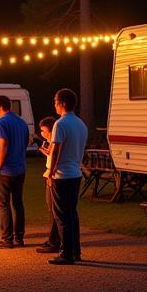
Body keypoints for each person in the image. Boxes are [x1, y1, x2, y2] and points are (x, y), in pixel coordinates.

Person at [46, 88, 89, 265]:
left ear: (62, 103)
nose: (54, 104)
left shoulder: (60, 124)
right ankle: (75, 251)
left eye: (56, 101)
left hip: (62, 175)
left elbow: (55, 150)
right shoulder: (81, 124)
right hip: (75, 174)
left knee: (61, 215)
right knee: (72, 214)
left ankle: (66, 253)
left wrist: (51, 171)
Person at [0, 94, 29, 248]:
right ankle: (19, 237)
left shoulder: (1, 122)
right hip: (19, 169)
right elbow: (25, 144)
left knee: (2, 205)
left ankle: (7, 239)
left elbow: (3, 145)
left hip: (4, 171)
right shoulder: (21, 122)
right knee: (18, 203)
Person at [35, 116, 63, 254]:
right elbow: (52, 155)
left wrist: (51, 174)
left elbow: (56, 158)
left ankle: (55, 241)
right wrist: (46, 152)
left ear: (51, 130)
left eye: (43, 130)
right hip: (49, 175)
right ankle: (53, 239)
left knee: (54, 210)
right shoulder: (51, 142)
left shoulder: (55, 141)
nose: (42, 133)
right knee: (51, 210)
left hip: (53, 177)